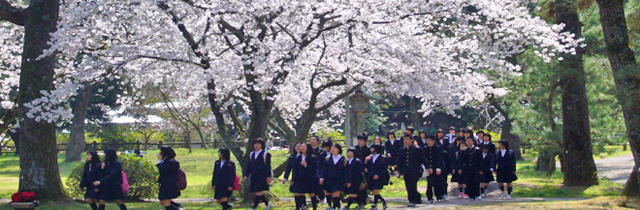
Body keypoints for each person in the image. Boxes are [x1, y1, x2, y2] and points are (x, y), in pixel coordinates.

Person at [396, 134, 428, 207]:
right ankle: (417, 197)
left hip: (415, 171)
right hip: (406, 171)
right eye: (404, 140)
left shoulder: (417, 149)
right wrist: (398, 170)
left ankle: (412, 200)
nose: (405, 141)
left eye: (407, 139)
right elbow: (399, 161)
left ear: (411, 140)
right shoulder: (402, 150)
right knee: (408, 185)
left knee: (412, 185)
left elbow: (423, 159)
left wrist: (428, 167)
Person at [244, 138, 273, 210]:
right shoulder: (251, 154)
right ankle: (267, 204)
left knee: (258, 191)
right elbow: (249, 166)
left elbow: (268, 166)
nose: (256, 145)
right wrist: (246, 175)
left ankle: (254, 207)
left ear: (262, 145)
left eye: (258, 144)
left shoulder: (266, 154)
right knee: (257, 191)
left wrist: (268, 176)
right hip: (254, 175)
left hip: (262, 175)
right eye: (255, 144)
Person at [320, 144, 347, 210]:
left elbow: (346, 170)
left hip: (339, 178)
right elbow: (324, 169)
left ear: (339, 150)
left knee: (336, 192)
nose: (332, 149)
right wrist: (322, 177)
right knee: (327, 191)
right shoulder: (327, 158)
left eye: (334, 148)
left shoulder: (343, 159)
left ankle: (336, 206)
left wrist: (348, 180)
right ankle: (329, 205)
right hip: (328, 178)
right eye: (332, 148)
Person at [295, 144, 321, 210]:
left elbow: (314, 169)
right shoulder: (298, 157)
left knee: (311, 193)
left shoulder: (312, 157)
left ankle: (314, 208)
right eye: (302, 146)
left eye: (304, 147)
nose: (302, 148)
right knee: (297, 192)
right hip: (301, 178)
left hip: (310, 178)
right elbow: (296, 169)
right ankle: (298, 207)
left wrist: (306, 165)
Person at [366, 144, 389, 210]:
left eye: (373, 148)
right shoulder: (370, 157)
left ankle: (374, 204)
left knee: (376, 189)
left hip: (380, 176)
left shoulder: (383, 157)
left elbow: (384, 168)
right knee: (374, 191)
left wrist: (378, 174)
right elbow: (369, 166)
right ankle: (383, 201)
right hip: (371, 175)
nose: (371, 149)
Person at [423, 135, 444, 203]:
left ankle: (439, 196)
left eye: (430, 140)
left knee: (438, 182)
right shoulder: (425, 148)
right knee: (429, 183)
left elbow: (439, 158)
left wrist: (438, 167)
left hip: (436, 167)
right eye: (427, 140)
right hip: (428, 168)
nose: (428, 142)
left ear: (433, 141)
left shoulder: (438, 148)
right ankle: (429, 197)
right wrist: (427, 167)